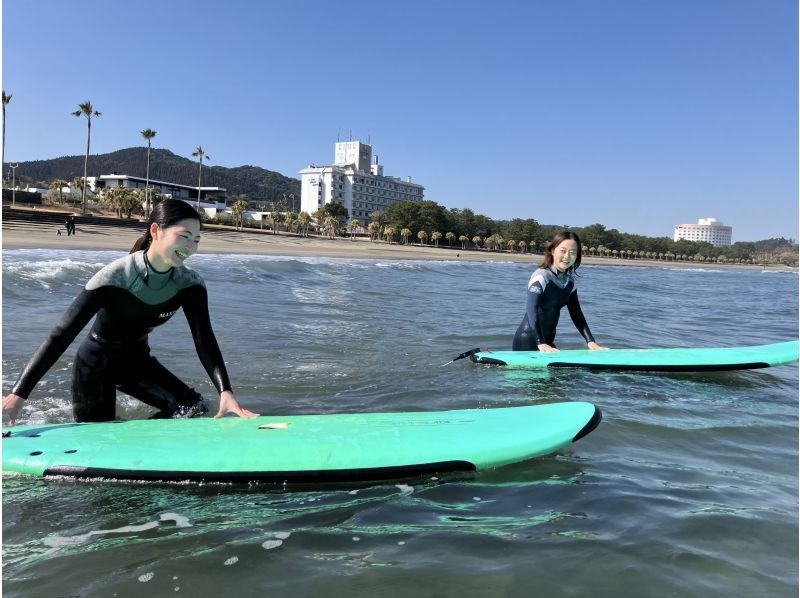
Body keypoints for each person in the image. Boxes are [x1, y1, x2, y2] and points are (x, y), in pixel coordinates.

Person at [3, 199, 259, 426]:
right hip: (96, 365)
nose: (191, 246)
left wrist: (226, 391)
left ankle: (141, 444)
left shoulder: (190, 285)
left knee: (191, 408)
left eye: (197, 239)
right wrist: (19, 393)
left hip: (138, 362)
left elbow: (204, 341)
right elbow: (61, 335)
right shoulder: (115, 276)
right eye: (184, 236)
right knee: (97, 434)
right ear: (156, 231)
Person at [512, 231, 605, 352]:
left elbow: (576, 314)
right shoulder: (541, 276)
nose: (567, 256)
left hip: (548, 342)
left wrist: (590, 341)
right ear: (552, 250)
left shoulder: (570, 282)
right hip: (528, 341)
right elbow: (531, 309)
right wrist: (540, 343)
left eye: (572, 252)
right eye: (563, 251)